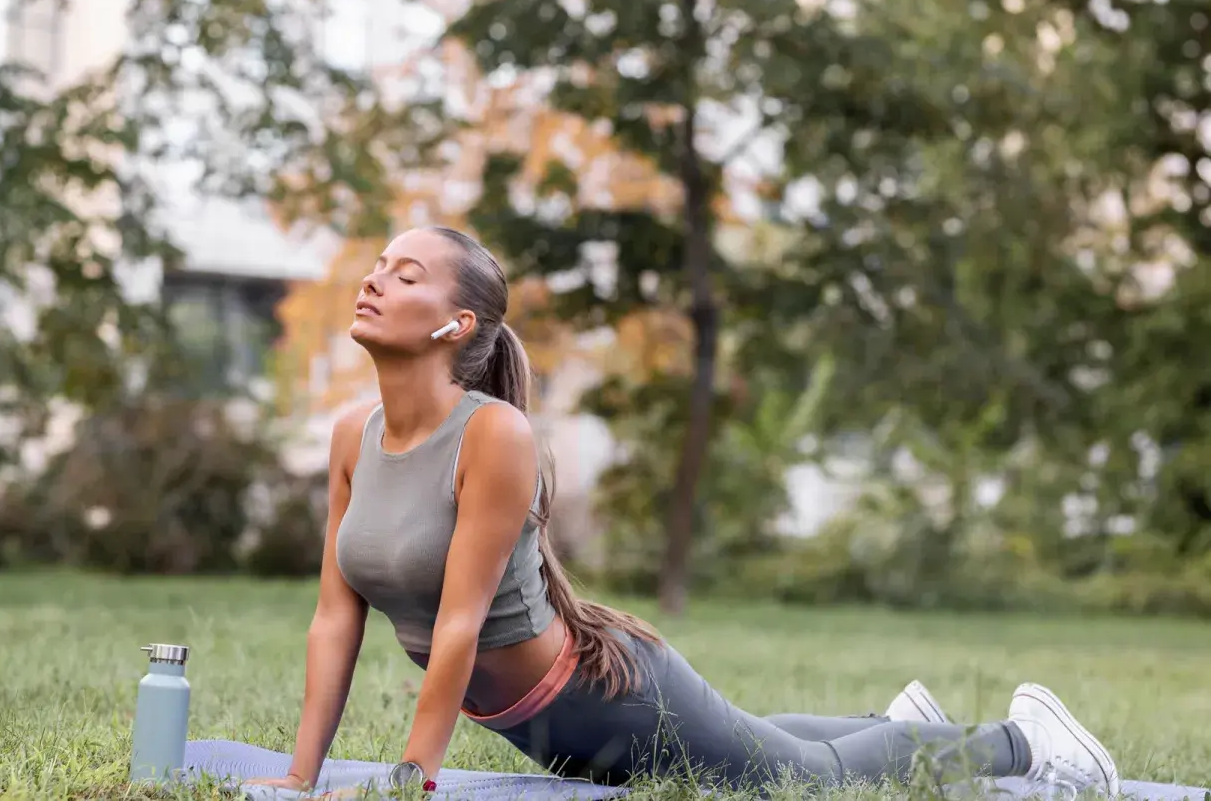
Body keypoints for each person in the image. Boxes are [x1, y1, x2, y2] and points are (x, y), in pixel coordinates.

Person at [246, 226, 1121, 797]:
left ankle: (1024, 742)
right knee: (752, 749)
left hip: (602, 696)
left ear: (453, 324)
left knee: (800, 779)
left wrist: (413, 779)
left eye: (405, 276)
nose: (372, 281)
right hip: (535, 726)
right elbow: (334, 620)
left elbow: (462, 623)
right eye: (377, 267)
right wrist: (297, 780)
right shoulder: (352, 440)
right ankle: (898, 730)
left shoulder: (496, 436)